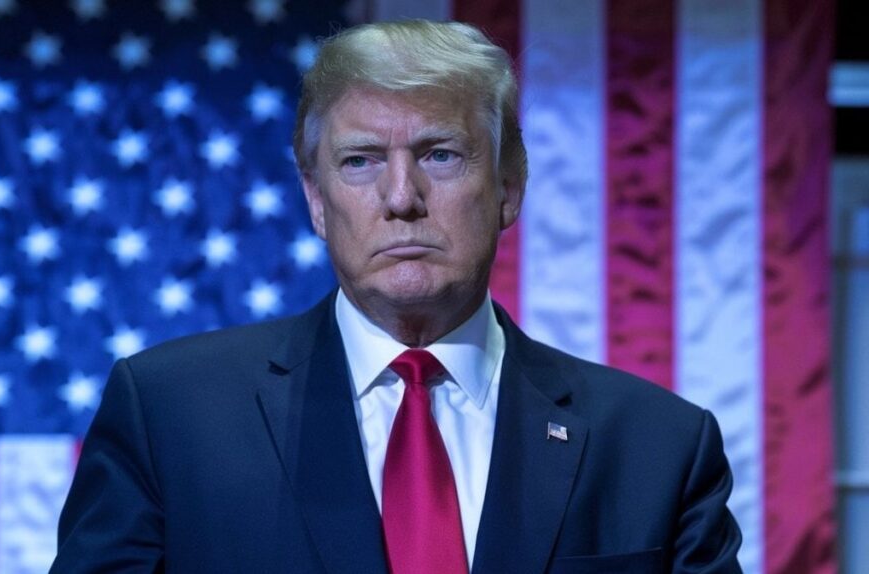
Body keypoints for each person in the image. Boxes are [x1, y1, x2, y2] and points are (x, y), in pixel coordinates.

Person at [52, 20, 742, 573]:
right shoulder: (171, 416)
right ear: (317, 202)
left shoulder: (658, 446)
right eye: (361, 162)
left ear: (509, 187)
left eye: (441, 155)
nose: (402, 198)